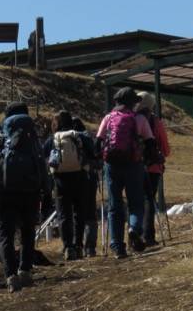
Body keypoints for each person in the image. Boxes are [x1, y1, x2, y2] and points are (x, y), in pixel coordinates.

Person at [0, 102, 50, 292]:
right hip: (30, 190)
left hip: (2, 191)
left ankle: (10, 275)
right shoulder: (32, 140)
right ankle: (25, 270)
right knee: (28, 231)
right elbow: (42, 166)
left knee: (5, 233)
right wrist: (46, 191)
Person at [95, 87, 157, 259]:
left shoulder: (108, 118)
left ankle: (117, 247)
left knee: (115, 206)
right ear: (133, 103)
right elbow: (151, 143)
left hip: (111, 165)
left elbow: (97, 143)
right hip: (133, 164)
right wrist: (145, 155)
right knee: (136, 203)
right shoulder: (139, 119)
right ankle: (134, 228)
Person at [42, 110, 91, 261]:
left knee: (64, 213)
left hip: (60, 180)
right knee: (79, 212)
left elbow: (44, 156)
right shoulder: (80, 136)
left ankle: (68, 246)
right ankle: (78, 245)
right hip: (80, 177)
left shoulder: (52, 139)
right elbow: (92, 151)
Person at [134, 91, 171, 246]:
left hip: (134, 166)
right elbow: (166, 150)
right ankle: (148, 236)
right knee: (149, 199)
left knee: (135, 200)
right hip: (153, 167)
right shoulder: (156, 122)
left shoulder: (130, 119)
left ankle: (134, 234)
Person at [72, 116, 101, 257]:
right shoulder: (87, 138)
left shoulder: (62, 138)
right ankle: (90, 248)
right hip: (89, 178)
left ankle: (73, 246)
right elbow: (97, 157)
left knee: (72, 213)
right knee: (90, 212)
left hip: (69, 179)